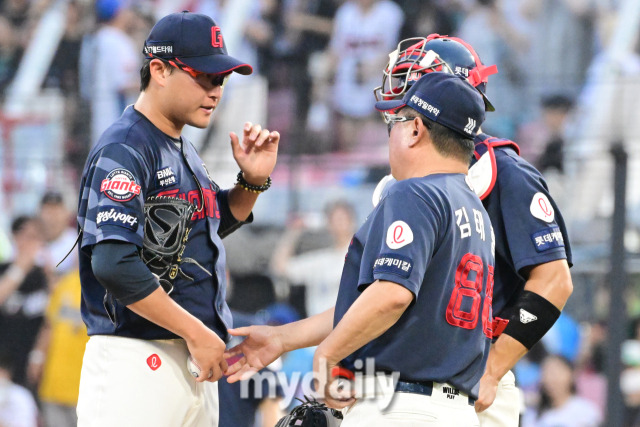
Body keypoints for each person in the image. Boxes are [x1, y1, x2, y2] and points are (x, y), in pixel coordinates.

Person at [227, 72, 495, 426]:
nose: (391, 132)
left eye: (396, 121)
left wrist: (326, 355)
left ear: (416, 129)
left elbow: (392, 295)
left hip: (400, 407)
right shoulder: (475, 209)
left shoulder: (415, 192)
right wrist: (283, 338)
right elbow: (373, 303)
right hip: (454, 409)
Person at [75, 11, 279, 427]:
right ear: (159, 70)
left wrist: (251, 183)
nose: (216, 90)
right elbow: (113, 263)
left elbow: (199, 227)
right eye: (204, 76)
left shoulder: (176, 143)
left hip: (190, 358)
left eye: (221, 79)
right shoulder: (127, 146)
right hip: (135, 358)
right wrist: (196, 331)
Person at [372, 34, 574, 425]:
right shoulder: (406, 184)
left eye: (410, 83)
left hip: (469, 383)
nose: (396, 96)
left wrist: (494, 368)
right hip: (409, 376)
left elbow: (555, 280)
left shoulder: (505, 173)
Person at [271, 200, 357, 317]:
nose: (338, 224)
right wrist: (293, 231)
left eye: (342, 219)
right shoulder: (322, 260)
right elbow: (280, 267)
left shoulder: (361, 256)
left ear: (352, 222)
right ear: (328, 224)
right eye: (334, 219)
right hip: (319, 330)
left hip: (349, 325)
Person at [0, 216, 48, 388]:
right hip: (4, 358)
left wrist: (38, 356)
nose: (28, 242)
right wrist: (20, 268)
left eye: (34, 237)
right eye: (24, 235)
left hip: (31, 360)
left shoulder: (45, 275)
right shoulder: (4, 269)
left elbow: (52, 319)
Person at [522, 355, 602, 427]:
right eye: (547, 373)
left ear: (571, 374)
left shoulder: (586, 412)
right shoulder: (532, 414)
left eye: (556, 372)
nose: (551, 379)